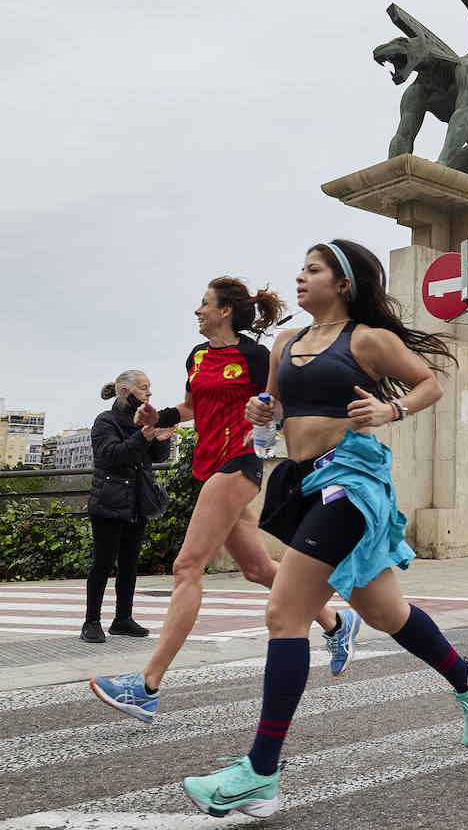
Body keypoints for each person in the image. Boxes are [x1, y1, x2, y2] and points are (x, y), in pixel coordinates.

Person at [181, 239, 468, 817]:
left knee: (284, 614)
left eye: (313, 270)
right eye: (301, 269)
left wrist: (391, 410)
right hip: (305, 484)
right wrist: (263, 415)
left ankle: (260, 772)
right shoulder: (287, 342)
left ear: (343, 283)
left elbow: (429, 384)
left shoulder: (367, 340)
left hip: (351, 483)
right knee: (383, 611)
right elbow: (274, 413)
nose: (300, 278)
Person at [92, 278, 351, 723]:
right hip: (209, 465)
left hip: (240, 462)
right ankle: (336, 624)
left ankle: (147, 686)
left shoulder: (255, 356)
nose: (197, 311)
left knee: (187, 567)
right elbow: (192, 408)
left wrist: (272, 424)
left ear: (225, 310)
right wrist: (159, 415)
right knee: (257, 568)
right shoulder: (196, 356)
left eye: (204, 303)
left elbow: (280, 404)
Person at [82, 371, 175, 643]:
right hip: (108, 500)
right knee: (103, 563)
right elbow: (112, 454)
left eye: (149, 387)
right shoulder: (105, 421)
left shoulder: (143, 421)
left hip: (136, 501)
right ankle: (91, 622)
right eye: (143, 388)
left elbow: (154, 458)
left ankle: (122, 619)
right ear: (126, 392)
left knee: (129, 564)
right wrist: (142, 437)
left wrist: (162, 440)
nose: (149, 393)